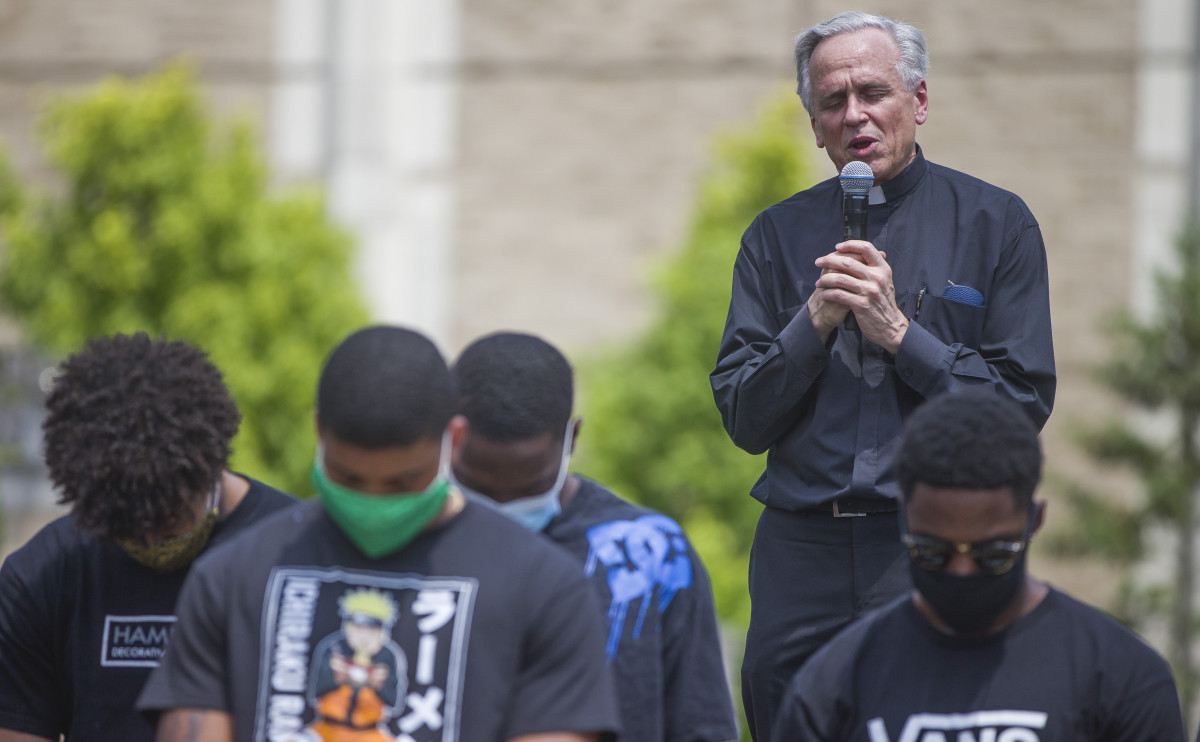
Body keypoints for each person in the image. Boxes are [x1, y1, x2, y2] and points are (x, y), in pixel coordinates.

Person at [709, 11, 1057, 739]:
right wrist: (815, 321)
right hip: (799, 550)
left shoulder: (998, 225)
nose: (854, 116)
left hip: (930, 547)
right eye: (832, 102)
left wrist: (901, 334)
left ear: (919, 101)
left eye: (873, 92)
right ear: (814, 124)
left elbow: (1020, 408)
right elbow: (743, 417)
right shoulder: (773, 237)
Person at [137, 325, 620, 742]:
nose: (375, 502)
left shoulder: (544, 588)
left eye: (402, 482)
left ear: (453, 441)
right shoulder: (230, 577)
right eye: (350, 479)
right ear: (319, 434)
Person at [770, 391, 1185, 742]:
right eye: (935, 552)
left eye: (993, 554)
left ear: (1034, 522)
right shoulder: (834, 684)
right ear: (905, 521)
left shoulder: (1120, 678)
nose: (962, 571)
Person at [0, 332, 296, 742]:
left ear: (207, 465)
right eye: (129, 529)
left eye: (170, 520)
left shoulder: (297, 554)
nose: (154, 540)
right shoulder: (41, 575)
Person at [450, 331, 739, 742]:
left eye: (529, 484)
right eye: (477, 485)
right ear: (450, 438)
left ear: (573, 438)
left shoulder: (654, 555)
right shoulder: (418, 541)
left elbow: (701, 725)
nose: (504, 501)